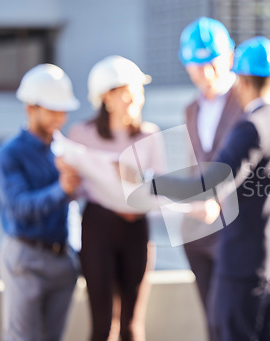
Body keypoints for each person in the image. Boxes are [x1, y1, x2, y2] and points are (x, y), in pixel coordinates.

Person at [152, 36, 270, 341]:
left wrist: (153, 181)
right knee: (266, 333)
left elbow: (207, 184)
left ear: (240, 80)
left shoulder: (251, 126)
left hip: (242, 260)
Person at [68, 55, 165, 341]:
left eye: (139, 94)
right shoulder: (80, 134)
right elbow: (73, 190)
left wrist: (132, 175)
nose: (135, 101)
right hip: (99, 229)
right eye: (127, 95)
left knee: (132, 326)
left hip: (137, 232)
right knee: (103, 326)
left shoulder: (151, 134)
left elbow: (160, 188)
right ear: (106, 98)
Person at [0, 64, 81, 341]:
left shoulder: (65, 150)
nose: (60, 118)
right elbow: (19, 207)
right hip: (25, 258)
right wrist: (62, 189)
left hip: (62, 259)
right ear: (31, 107)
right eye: (53, 110)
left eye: (63, 111)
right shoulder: (7, 155)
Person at [178, 16, 245, 329]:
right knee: (212, 324)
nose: (205, 73)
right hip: (197, 233)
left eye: (213, 63)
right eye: (197, 66)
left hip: (236, 230)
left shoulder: (248, 101)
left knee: (235, 323)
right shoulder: (190, 109)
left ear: (230, 58)